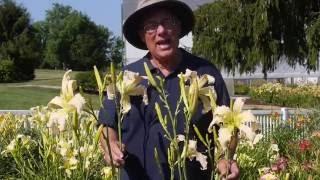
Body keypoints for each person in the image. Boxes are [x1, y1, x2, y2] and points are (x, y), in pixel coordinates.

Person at [98, 0, 239, 179]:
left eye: (168, 22)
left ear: (179, 28)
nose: (161, 31)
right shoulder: (127, 75)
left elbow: (227, 125)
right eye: (151, 26)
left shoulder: (205, 73)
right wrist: (110, 143)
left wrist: (225, 158)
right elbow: (106, 122)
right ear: (142, 35)